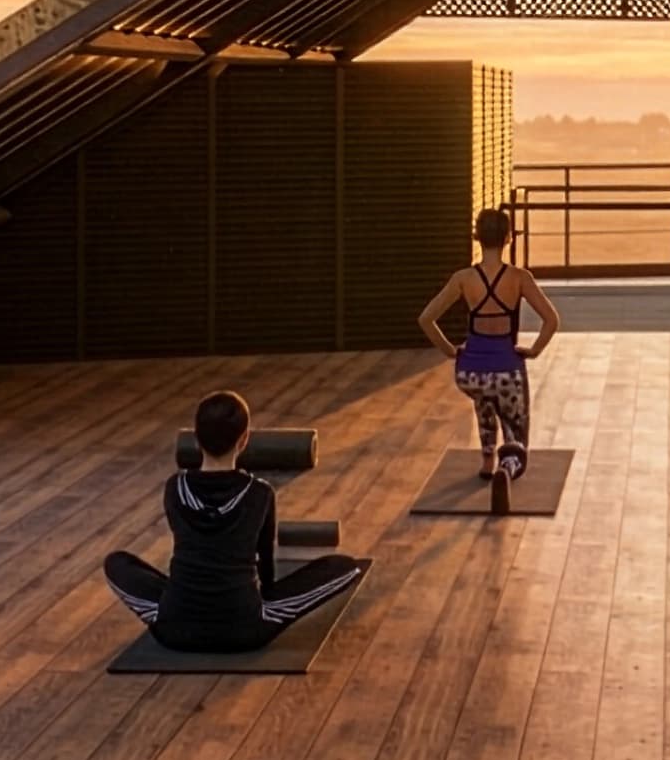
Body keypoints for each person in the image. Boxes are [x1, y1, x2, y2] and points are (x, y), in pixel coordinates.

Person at [103, 390, 366, 651]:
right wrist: (265, 597)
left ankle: (173, 605)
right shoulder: (260, 492)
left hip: (174, 629)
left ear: (195, 438)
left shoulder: (175, 487)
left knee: (116, 563)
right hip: (245, 630)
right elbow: (265, 566)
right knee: (347, 567)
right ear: (244, 440)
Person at [418, 207, 559, 478]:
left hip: (470, 373)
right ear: (508, 238)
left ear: (477, 237)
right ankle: (509, 464)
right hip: (506, 369)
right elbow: (552, 320)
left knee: (485, 398)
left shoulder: (463, 279)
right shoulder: (519, 278)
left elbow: (426, 319)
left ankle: (486, 460)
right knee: (513, 418)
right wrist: (533, 351)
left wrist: (451, 352)